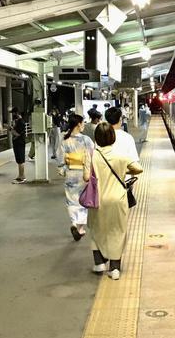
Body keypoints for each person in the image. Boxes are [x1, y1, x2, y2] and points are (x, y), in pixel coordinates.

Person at [88, 123, 143, 279]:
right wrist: (124, 169)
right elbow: (139, 169)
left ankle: (98, 263)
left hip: (96, 199)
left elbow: (86, 177)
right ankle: (114, 269)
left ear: (96, 138)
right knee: (117, 231)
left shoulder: (91, 154)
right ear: (113, 137)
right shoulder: (120, 156)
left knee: (96, 229)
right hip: (117, 199)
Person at [57, 114, 93, 241]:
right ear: (78, 124)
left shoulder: (64, 140)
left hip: (71, 173)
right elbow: (92, 156)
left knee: (71, 200)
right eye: (82, 123)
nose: (83, 126)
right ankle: (80, 228)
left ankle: (73, 222)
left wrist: (63, 169)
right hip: (84, 174)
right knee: (83, 200)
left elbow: (60, 159)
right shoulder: (86, 140)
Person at [10, 107, 27, 184]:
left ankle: (22, 177)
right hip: (17, 143)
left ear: (17, 113)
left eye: (13, 113)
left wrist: (10, 129)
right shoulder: (18, 122)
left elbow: (17, 134)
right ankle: (20, 176)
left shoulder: (21, 122)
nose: (12, 115)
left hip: (20, 143)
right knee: (19, 161)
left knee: (21, 160)